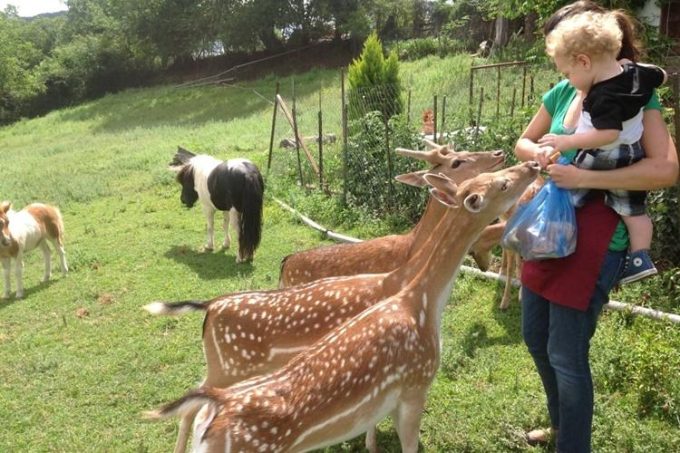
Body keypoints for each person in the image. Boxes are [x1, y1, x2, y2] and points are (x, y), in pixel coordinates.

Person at [513, 1, 679, 452]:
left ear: (585, 51)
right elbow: (523, 142)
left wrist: (585, 176)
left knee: (566, 353)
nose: (563, 68)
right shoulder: (564, 90)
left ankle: (574, 445)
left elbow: (665, 171)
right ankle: (563, 426)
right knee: (534, 338)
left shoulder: (633, 93)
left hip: (599, 235)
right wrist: (542, 154)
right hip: (551, 227)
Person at [539, 10, 667, 284]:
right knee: (633, 210)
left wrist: (567, 142)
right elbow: (659, 75)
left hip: (610, 154)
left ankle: (558, 224)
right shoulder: (631, 73)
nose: (567, 79)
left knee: (572, 187)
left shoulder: (602, 96)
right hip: (632, 155)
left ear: (584, 61)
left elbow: (607, 133)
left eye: (567, 72)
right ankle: (640, 256)